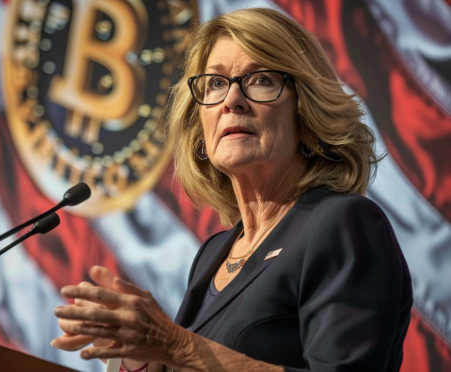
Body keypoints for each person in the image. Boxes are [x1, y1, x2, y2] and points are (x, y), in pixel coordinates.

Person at [51, 7, 412, 372]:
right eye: (215, 83)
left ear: (307, 112)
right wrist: (141, 358)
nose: (231, 100)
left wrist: (176, 345)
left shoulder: (343, 224)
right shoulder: (214, 254)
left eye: (260, 79)